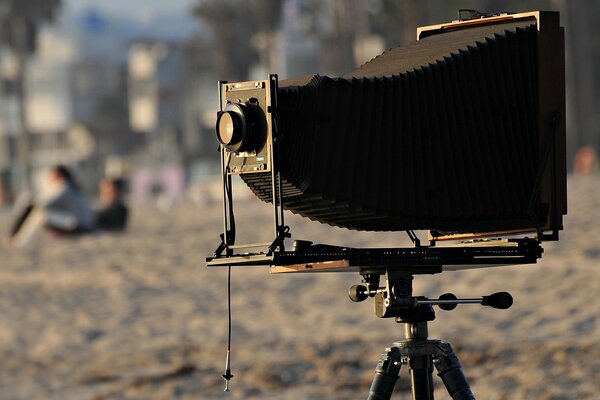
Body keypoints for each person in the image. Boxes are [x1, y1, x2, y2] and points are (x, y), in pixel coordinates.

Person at [7, 165, 95, 247]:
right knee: (41, 212)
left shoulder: (64, 188)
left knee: (40, 214)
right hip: (82, 223)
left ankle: (19, 240)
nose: (50, 177)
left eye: (52, 174)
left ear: (59, 175)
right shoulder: (70, 186)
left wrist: (28, 203)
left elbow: (44, 204)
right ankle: (16, 237)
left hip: (80, 226)